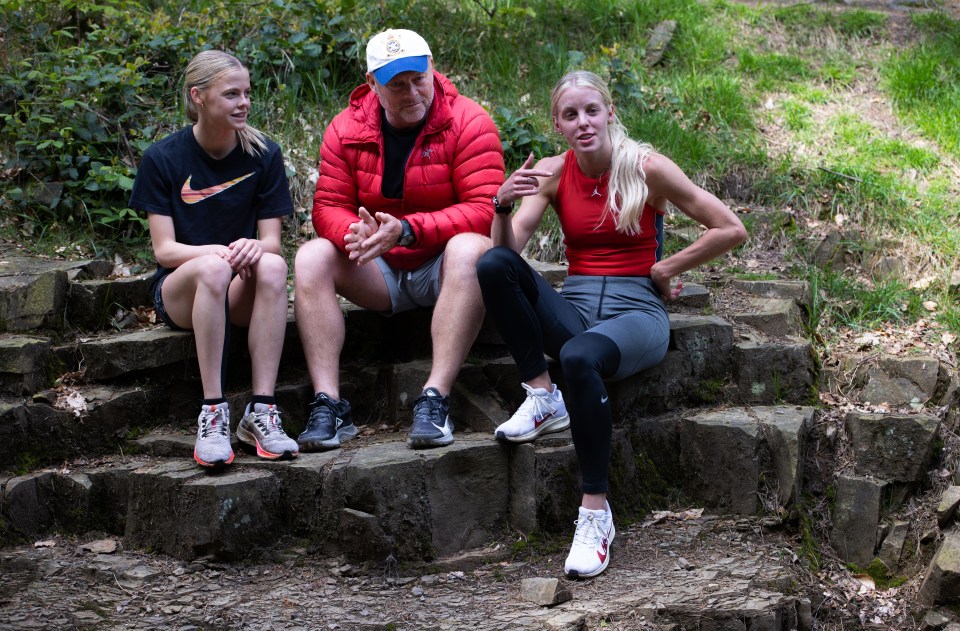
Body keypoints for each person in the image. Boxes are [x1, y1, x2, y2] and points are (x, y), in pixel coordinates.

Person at [476, 70, 747, 579]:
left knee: (578, 356)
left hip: (636, 316)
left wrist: (665, 268)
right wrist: (501, 204)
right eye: (570, 114)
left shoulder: (647, 168)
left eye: (591, 111)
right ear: (557, 123)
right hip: (576, 309)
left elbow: (730, 227)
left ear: (610, 112)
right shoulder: (554, 173)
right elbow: (506, 255)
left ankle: (596, 513)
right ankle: (542, 395)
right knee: (490, 266)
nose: (583, 122)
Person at [294, 29, 504, 451]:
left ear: (432, 69)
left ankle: (435, 399)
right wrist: (354, 233)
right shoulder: (345, 128)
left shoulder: (469, 121)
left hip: (443, 266)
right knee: (312, 256)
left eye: (418, 79)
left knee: (471, 247)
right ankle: (329, 404)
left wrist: (408, 230)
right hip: (380, 267)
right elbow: (328, 206)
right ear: (372, 84)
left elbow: (485, 207)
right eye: (397, 84)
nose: (412, 92)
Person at [130, 50, 299, 468]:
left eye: (246, 93)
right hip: (181, 292)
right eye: (231, 94)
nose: (244, 102)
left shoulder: (264, 155)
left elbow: (272, 244)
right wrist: (223, 252)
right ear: (199, 96)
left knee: (274, 266)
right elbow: (164, 251)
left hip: (238, 290)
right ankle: (212, 413)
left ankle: (262, 412)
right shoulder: (163, 158)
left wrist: (254, 248)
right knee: (212, 267)